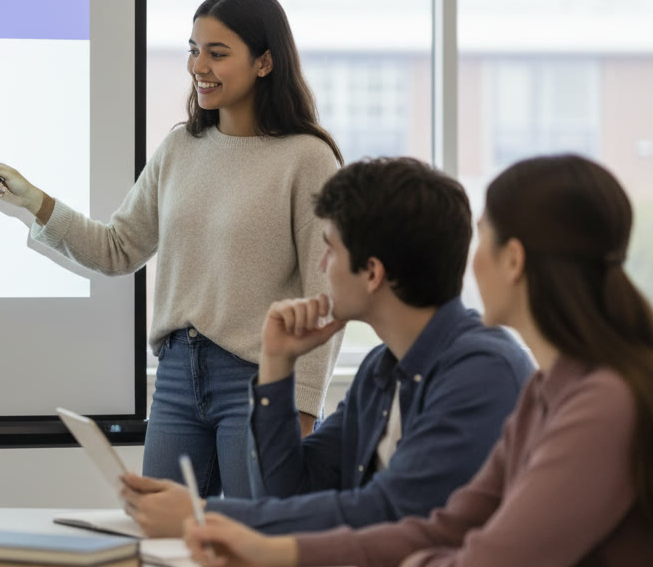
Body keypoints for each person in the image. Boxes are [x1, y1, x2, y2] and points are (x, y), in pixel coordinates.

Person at [183, 154, 653, 567]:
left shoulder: (597, 401)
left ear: (513, 260)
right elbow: (445, 528)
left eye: (483, 240)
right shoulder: (545, 390)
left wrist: (413, 562)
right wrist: (269, 549)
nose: (471, 265)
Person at [0, 0, 343, 496]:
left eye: (218, 52)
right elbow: (117, 249)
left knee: (250, 542)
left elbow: (326, 295)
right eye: (194, 49)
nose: (199, 66)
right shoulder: (179, 149)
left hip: (256, 383)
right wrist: (33, 200)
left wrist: (302, 407)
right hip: (175, 378)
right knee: (160, 537)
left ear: (264, 62)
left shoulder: (308, 158)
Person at [118, 158, 533, 536]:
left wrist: (204, 515)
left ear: (372, 273)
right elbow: (286, 494)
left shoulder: (483, 371)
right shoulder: (382, 370)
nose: (319, 267)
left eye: (330, 250)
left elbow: (389, 511)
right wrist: (276, 365)